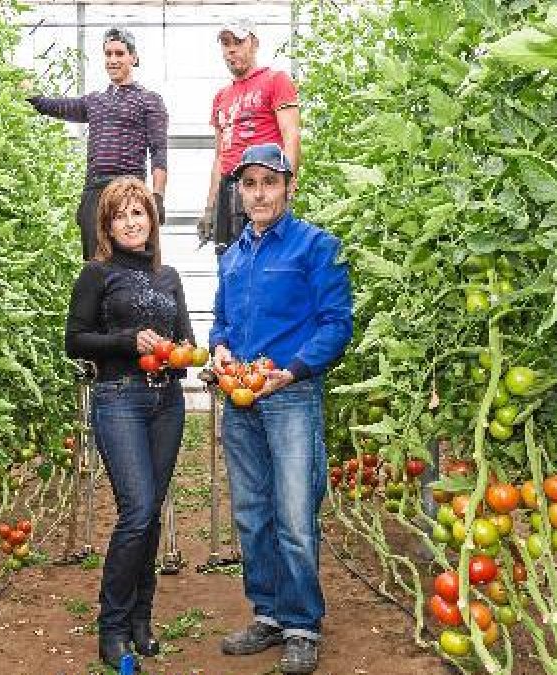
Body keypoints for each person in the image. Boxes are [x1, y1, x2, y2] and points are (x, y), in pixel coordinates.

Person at [209, 143, 352, 675]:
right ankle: (268, 614)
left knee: (294, 515)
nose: (260, 192)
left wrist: (291, 370)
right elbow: (222, 321)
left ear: (288, 187)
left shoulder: (317, 246)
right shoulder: (234, 255)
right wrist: (221, 349)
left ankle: (301, 624)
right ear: (240, 192)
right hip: (241, 396)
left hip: (289, 395)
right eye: (250, 184)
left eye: (270, 182)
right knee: (252, 514)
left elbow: (337, 324)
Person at [64, 177, 193, 669]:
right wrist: (127, 341)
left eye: (138, 212)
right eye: (120, 215)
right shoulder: (96, 275)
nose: (131, 221)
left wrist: (176, 353)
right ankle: (112, 627)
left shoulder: (170, 276)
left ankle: (142, 618)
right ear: (107, 226)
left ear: (151, 219)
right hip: (119, 398)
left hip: (167, 402)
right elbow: (75, 341)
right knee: (136, 511)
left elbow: (184, 338)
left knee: (152, 510)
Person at [28, 28, 168, 260]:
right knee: (95, 263)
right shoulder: (95, 101)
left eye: (119, 54)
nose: (113, 60)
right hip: (94, 190)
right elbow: (57, 106)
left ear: (133, 57)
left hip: (128, 189)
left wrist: (158, 197)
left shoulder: (149, 100)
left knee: (129, 259)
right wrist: (30, 96)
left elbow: (159, 151)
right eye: (108, 54)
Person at [197, 18, 301, 255]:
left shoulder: (276, 80)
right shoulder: (221, 96)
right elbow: (219, 156)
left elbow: (291, 135)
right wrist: (210, 206)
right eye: (225, 43)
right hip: (229, 188)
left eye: (238, 42)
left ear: (254, 43)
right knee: (229, 261)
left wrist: (287, 185)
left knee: (268, 259)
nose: (231, 49)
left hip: (262, 182)